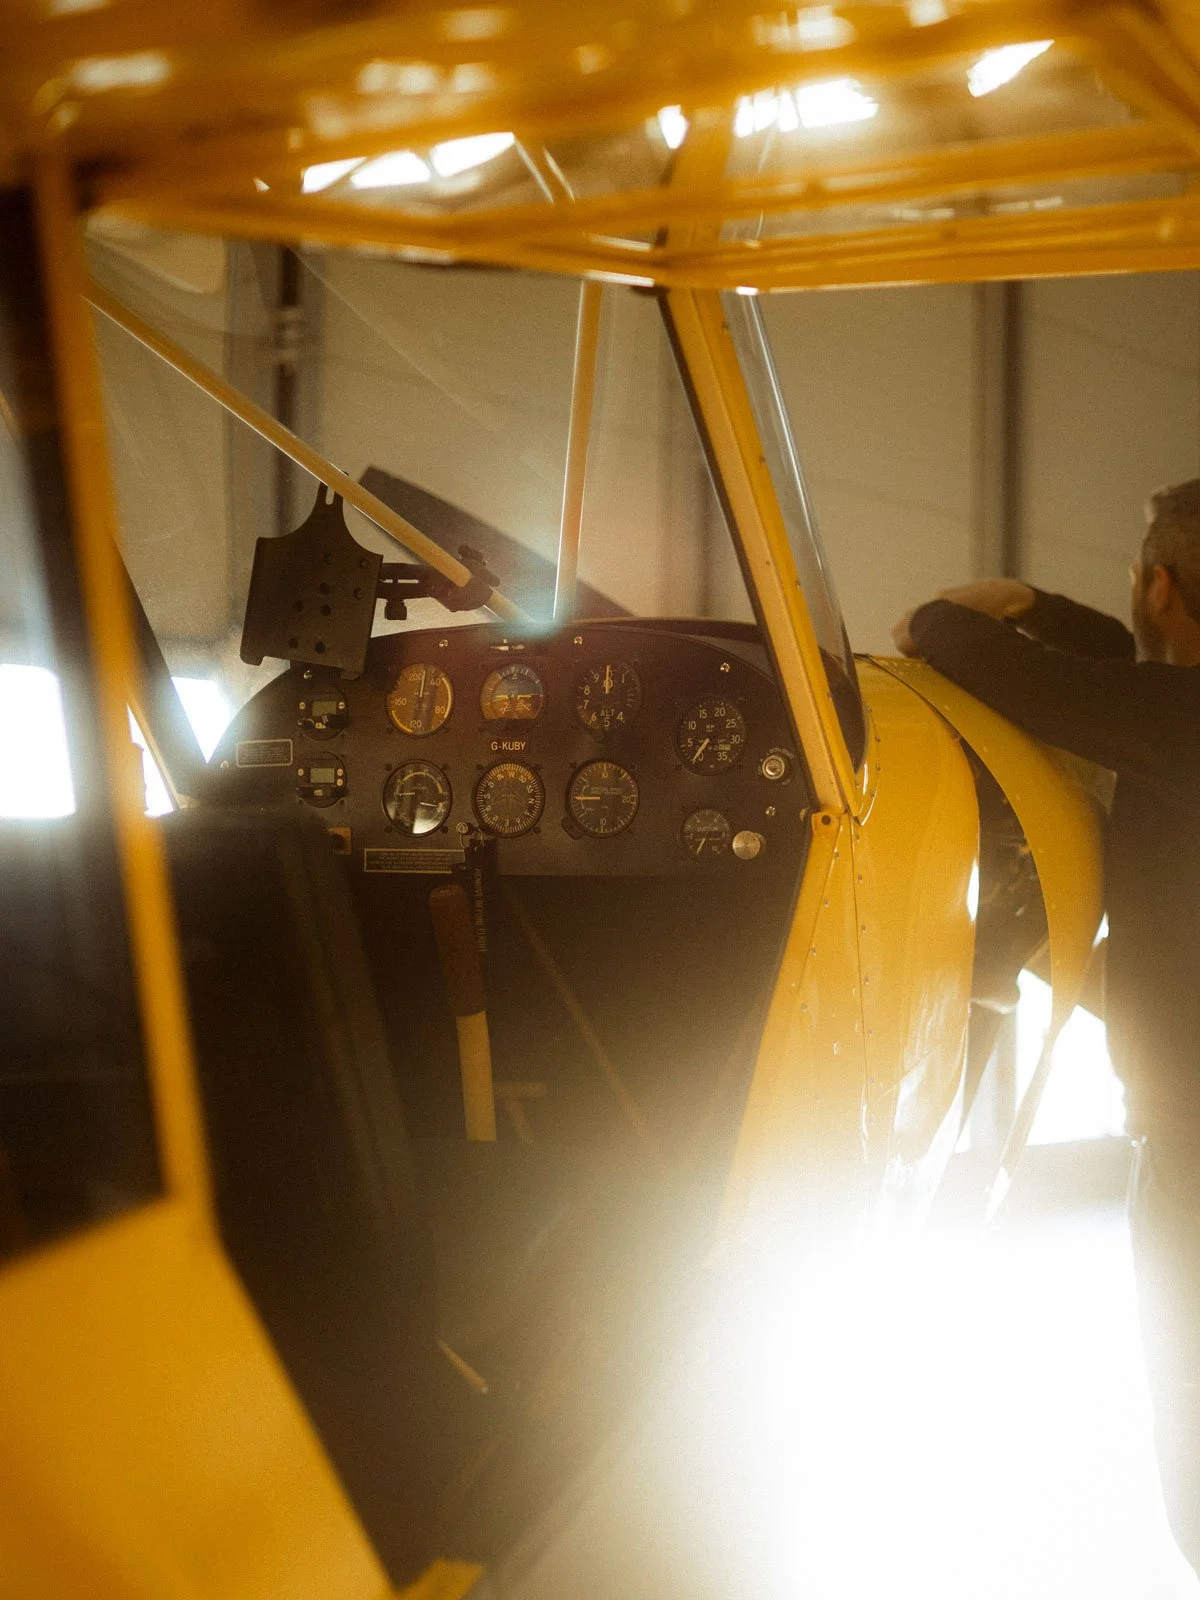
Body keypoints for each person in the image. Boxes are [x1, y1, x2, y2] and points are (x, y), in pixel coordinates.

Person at [892, 478, 1200, 1575]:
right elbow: (1107, 669)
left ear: (1158, 584)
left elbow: (1008, 673)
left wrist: (952, 617)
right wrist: (1034, 596)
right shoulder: (1170, 720)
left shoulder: (1183, 718)